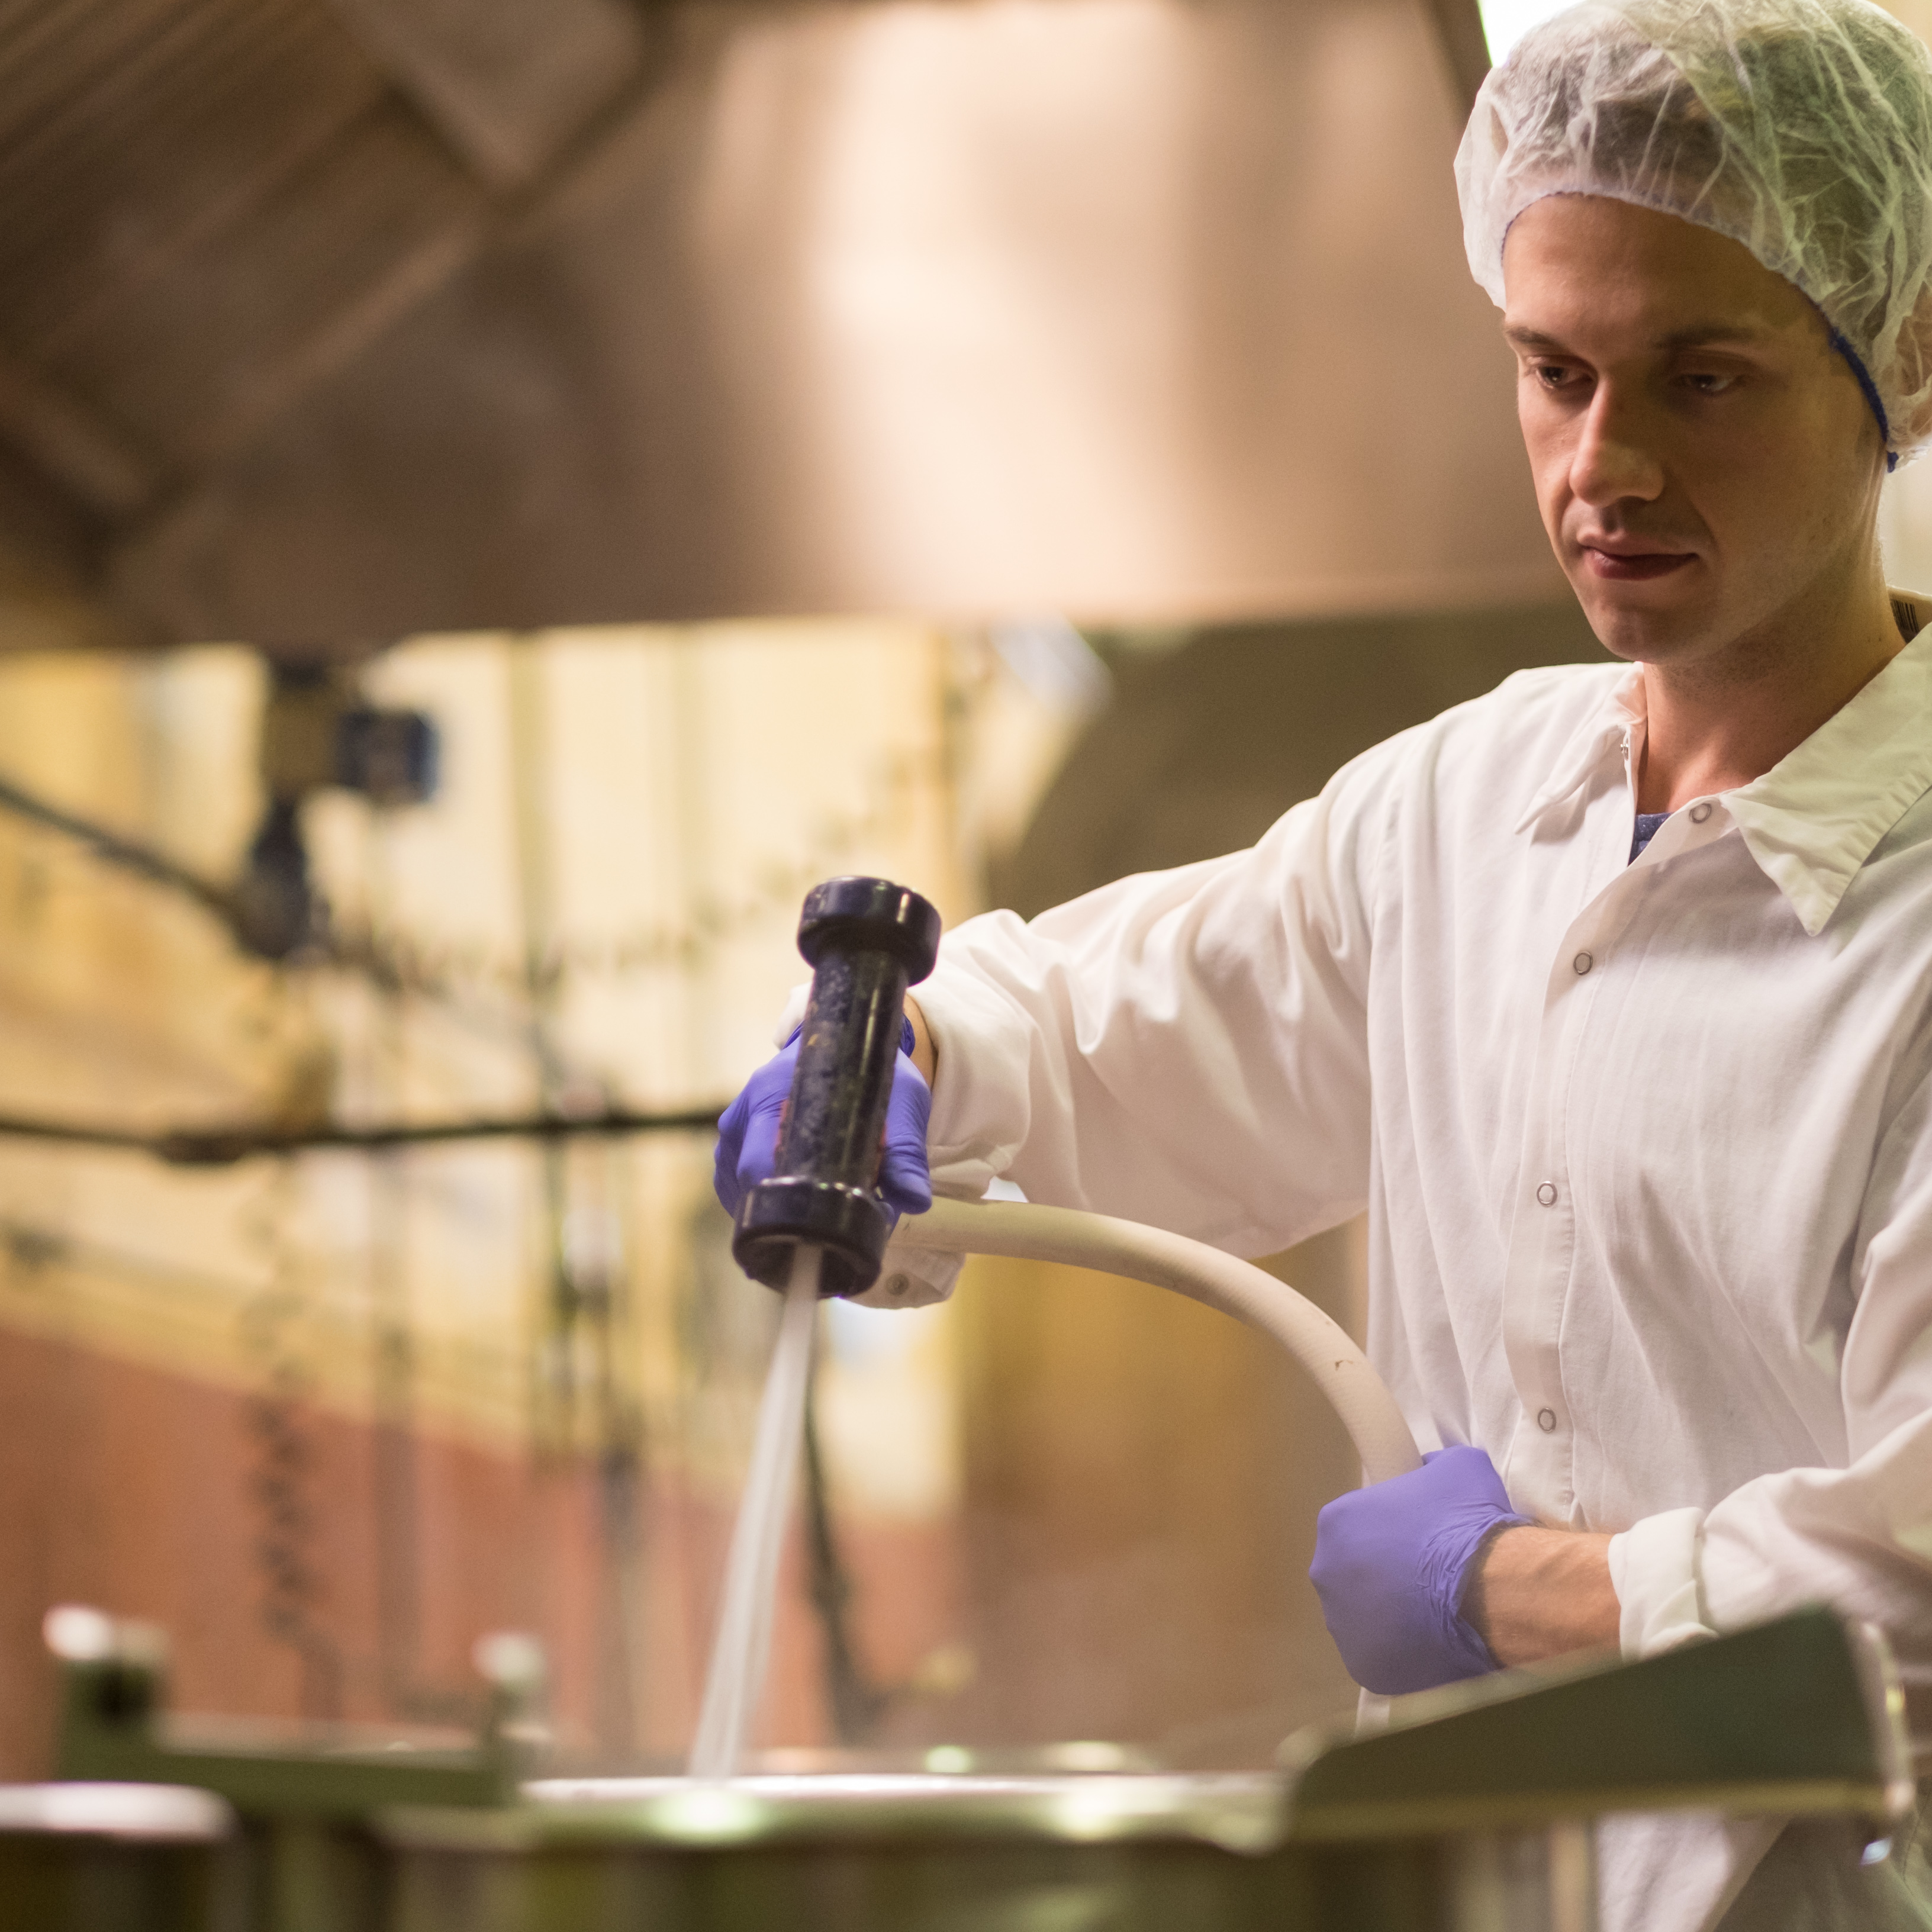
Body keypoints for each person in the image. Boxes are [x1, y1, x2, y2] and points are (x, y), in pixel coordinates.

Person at [717, 0, 1932, 1921]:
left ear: (1907, 357)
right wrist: (906, 1067)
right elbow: (1126, 1038)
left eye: (1700, 379)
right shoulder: (1462, 812)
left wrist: (1518, 1594)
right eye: (1553, 371)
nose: (1603, 465)